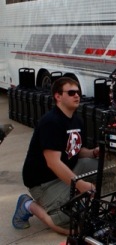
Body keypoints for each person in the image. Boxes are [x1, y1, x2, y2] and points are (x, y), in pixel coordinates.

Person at [12, 77, 99, 235]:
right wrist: (81, 185)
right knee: (74, 229)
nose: (77, 95)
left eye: (78, 92)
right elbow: (53, 163)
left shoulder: (77, 120)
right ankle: (28, 205)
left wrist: (93, 152)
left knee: (106, 168)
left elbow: (76, 152)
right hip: (44, 183)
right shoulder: (51, 122)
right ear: (58, 96)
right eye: (71, 92)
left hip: (66, 171)